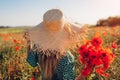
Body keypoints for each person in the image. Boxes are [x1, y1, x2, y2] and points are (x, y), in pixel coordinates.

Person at [24, 9, 84, 80]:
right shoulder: (67, 58)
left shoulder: (38, 47)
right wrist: (84, 75)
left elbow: (31, 62)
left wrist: (28, 41)